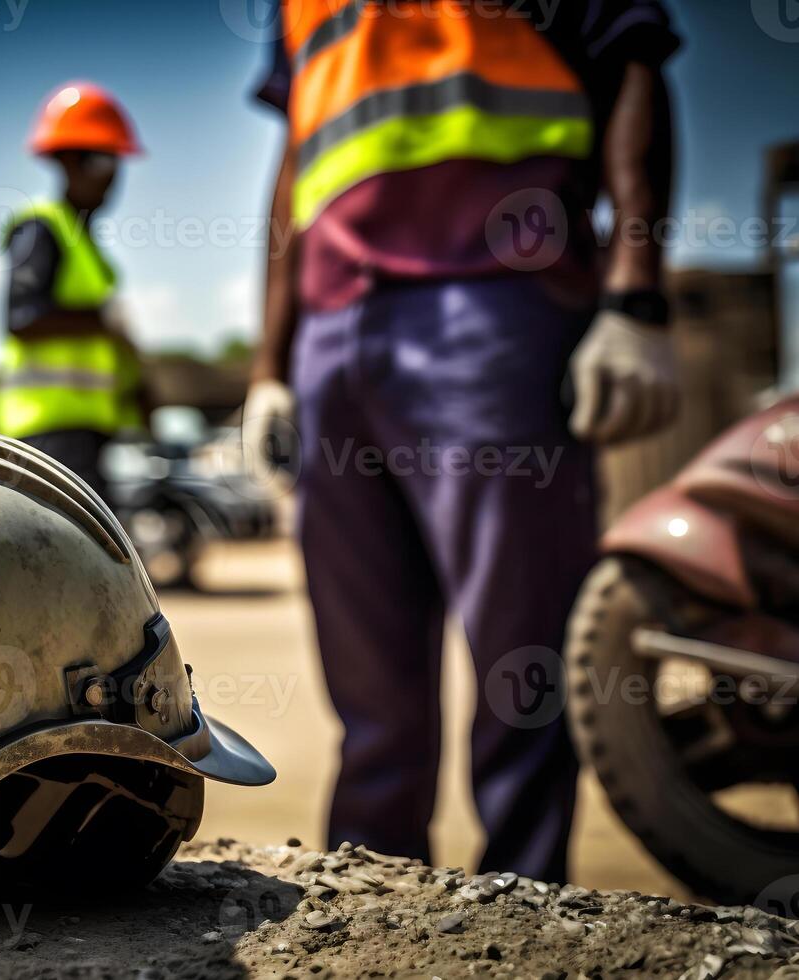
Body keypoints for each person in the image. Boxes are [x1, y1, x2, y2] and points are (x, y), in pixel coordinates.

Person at [242, 0, 681, 882]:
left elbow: (631, 59)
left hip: (494, 297)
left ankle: (518, 907)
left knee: (520, 664)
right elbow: (297, 158)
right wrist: (269, 364)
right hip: (334, 329)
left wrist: (634, 291)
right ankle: (373, 905)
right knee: (371, 694)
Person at [0, 81, 150, 498]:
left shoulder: (88, 247)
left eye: (116, 162)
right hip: (46, 432)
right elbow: (21, 318)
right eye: (104, 161)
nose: (114, 176)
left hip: (88, 430)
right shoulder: (41, 228)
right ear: (70, 161)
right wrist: (102, 321)